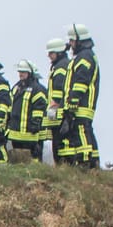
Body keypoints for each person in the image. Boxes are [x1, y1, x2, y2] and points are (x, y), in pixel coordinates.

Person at [61, 25, 102, 168]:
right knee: (86, 131)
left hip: (82, 104)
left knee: (81, 130)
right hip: (82, 104)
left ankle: (85, 162)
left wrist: (73, 100)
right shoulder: (84, 55)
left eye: (72, 41)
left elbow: (81, 81)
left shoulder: (85, 56)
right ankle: (93, 161)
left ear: (79, 40)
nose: (70, 44)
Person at [6, 60, 50, 161]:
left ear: (29, 73)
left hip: (30, 134)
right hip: (15, 133)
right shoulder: (16, 88)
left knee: (33, 160)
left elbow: (39, 108)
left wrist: (35, 125)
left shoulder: (37, 89)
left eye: (23, 72)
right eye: (19, 72)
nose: (20, 74)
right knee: (16, 160)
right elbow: (10, 105)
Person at [45, 37, 73, 165]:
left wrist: (54, 105)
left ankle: (63, 166)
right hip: (58, 112)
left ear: (59, 52)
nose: (49, 56)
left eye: (51, 53)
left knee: (59, 143)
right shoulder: (59, 65)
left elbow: (59, 89)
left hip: (59, 112)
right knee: (57, 143)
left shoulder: (61, 66)